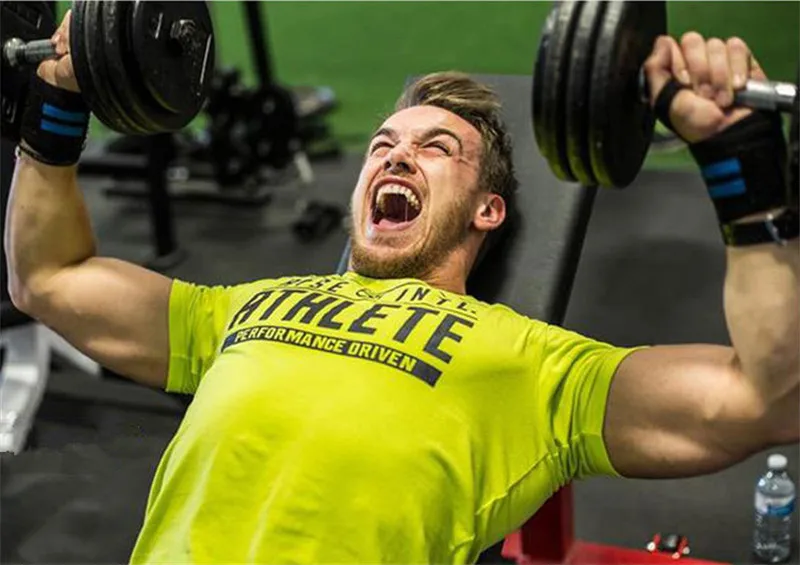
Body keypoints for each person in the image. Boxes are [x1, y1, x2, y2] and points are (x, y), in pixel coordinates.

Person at [5, 10, 798, 564]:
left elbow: (768, 398)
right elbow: (48, 278)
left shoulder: (533, 365)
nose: (394, 156)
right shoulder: (240, 307)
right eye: (382, 144)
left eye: (436, 148)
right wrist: (58, 106)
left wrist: (743, 167)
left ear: (488, 210)